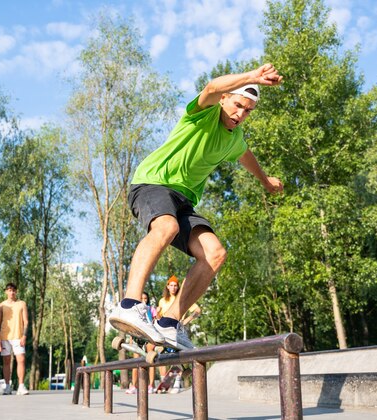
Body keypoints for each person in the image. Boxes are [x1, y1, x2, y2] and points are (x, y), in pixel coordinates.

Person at [109, 63, 284, 350]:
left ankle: (169, 323)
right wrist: (253, 77)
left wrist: (265, 181)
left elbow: (246, 156)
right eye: (237, 105)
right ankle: (129, 304)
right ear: (226, 99)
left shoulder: (234, 138)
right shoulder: (203, 114)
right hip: (153, 183)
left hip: (184, 200)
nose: (240, 114)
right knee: (167, 226)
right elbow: (211, 88)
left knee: (215, 253)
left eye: (248, 110)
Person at [156, 275, 200, 382]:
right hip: (166, 329)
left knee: (184, 352)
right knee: (164, 352)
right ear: (167, 287)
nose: (173, 288)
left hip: (178, 329)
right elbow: (159, 316)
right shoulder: (162, 301)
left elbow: (198, 310)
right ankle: (164, 379)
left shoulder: (182, 299)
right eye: (171, 285)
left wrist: (186, 321)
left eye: (175, 286)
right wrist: (157, 315)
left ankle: (178, 381)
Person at [0, 282, 29, 395]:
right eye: (9, 290)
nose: (12, 292)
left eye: (13, 290)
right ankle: (7, 386)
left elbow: (26, 321)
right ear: (6, 292)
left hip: (18, 336)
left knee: (21, 360)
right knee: (6, 361)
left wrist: (24, 335)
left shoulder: (22, 304)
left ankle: (21, 386)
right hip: (4, 337)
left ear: (16, 291)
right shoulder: (1, 306)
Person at [125, 292, 157, 394]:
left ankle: (151, 385)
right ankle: (134, 386)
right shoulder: (135, 310)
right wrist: (130, 337)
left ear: (147, 300)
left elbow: (156, 321)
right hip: (137, 336)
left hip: (149, 336)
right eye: (141, 298)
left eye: (145, 298)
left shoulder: (151, 309)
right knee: (136, 361)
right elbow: (132, 324)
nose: (144, 300)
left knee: (150, 359)